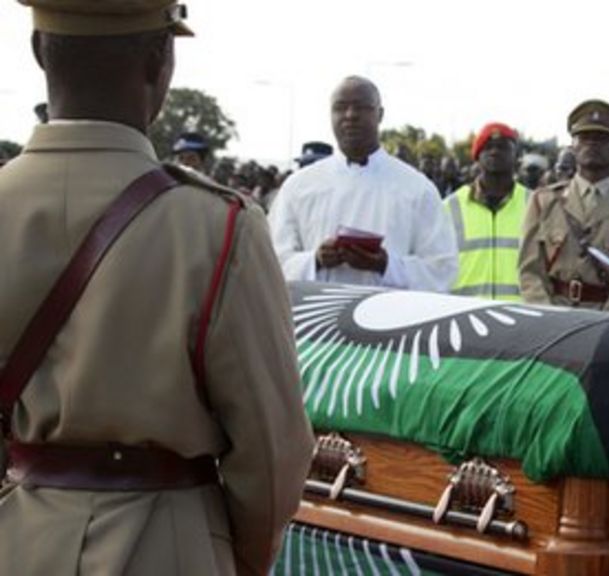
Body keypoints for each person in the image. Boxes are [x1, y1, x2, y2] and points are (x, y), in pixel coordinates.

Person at [0, 2, 315, 575]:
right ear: (160, 60)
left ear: (38, 51)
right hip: (171, 547)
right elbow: (275, 452)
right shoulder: (218, 226)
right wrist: (228, 558)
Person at [268, 76, 457, 292]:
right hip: (314, 320)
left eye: (361, 107)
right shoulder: (298, 186)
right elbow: (269, 262)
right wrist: (316, 260)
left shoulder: (417, 188)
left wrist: (386, 265)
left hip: (391, 320)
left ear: (380, 114)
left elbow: (443, 271)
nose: (350, 116)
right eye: (340, 108)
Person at [519, 99, 609, 312]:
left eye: (602, 138)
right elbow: (529, 270)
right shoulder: (544, 201)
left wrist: (605, 320)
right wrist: (547, 316)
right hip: (553, 317)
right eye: (584, 137)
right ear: (572, 146)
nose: (592, 144)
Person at [444, 122, 529, 301]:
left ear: (517, 157)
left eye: (503, 147)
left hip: (522, 317)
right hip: (465, 317)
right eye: (488, 147)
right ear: (477, 156)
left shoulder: (535, 204)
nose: (495, 152)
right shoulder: (450, 207)